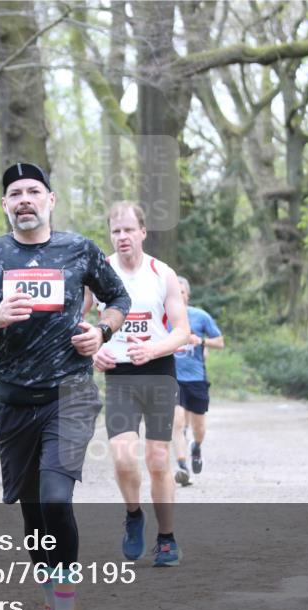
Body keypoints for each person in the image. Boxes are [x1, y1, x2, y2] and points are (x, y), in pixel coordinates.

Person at [0, 162, 129, 610]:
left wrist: (104, 332)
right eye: (15, 193)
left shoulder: (79, 249)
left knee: (55, 497)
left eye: (33, 191)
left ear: (50, 200)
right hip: (14, 402)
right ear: (6, 205)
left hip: (70, 393)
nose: (24, 199)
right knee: (34, 515)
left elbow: (118, 297)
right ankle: (52, 609)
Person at [86, 201, 190, 567]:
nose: (122, 236)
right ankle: (133, 515)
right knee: (123, 457)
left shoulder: (162, 274)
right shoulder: (99, 274)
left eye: (129, 229)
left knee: (159, 459)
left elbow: (182, 331)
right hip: (119, 374)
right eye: (116, 231)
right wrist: (91, 351)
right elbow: (75, 322)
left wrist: (154, 348)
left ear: (143, 232)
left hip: (159, 371)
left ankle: (166, 538)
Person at [171, 276, 225, 486]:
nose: (178, 295)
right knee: (177, 422)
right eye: (174, 292)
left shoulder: (200, 316)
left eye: (181, 292)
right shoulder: (163, 318)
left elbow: (220, 342)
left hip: (196, 379)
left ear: (187, 295)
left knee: (199, 428)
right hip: (172, 378)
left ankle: (196, 447)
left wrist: (201, 341)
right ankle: (182, 467)